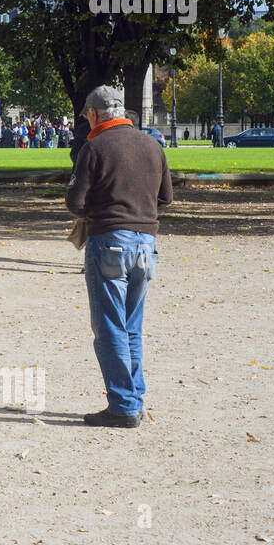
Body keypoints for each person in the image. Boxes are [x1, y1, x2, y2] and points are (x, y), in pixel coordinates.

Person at [65, 86, 172, 429]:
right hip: (146, 243)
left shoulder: (94, 147)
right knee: (131, 326)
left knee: (110, 326)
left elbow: (75, 203)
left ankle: (124, 406)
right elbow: (165, 198)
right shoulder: (152, 145)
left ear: (94, 114)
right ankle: (133, 398)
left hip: (109, 241)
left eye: (86, 116)